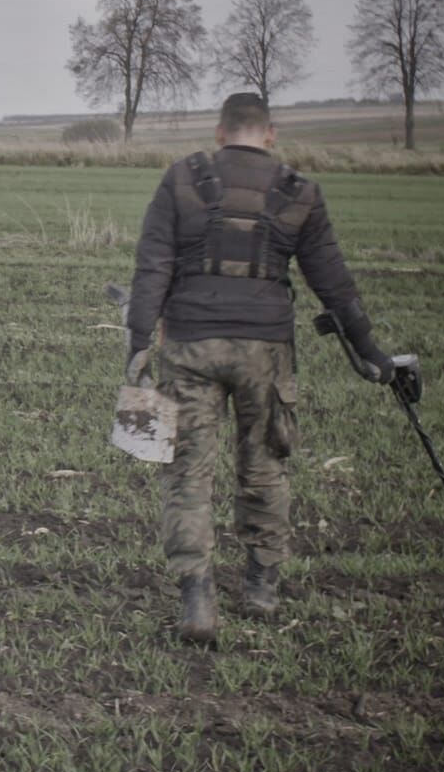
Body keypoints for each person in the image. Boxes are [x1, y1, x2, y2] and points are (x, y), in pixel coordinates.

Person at [124, 92, 405, 644]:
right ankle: (260, 586)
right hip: (266, 350)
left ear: (219, 131)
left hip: (189, 344)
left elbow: (151, 266)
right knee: (266, 465)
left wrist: (137, 345)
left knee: (187, 473)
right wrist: (372, 354)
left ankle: (197, 598)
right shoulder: (299, 191)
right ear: (270, 134)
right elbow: (333, 283)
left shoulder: (180, 179)